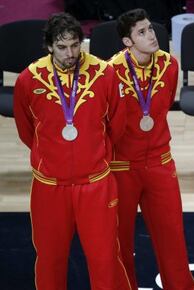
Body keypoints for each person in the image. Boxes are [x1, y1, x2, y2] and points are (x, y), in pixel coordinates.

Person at [13, 12, 131, 290]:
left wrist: (91, 152)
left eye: (76, 45)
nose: (71, 53)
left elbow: (117, 125)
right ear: (49, 46)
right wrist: (54, 156)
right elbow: (26, 131)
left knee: (104, 260)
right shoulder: (28, 80)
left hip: (96, 185)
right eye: (63, 47)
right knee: (50, 260)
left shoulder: (105, 73)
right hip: (49, 187)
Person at [108, 8, 194, 290]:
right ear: (127, 42)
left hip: (159, 161)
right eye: (141, 32)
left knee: (172, 237)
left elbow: (165, 103)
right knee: (120, 240)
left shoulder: (170, 65)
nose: (151, 36)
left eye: (150, 29)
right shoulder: (110, 72)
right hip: (122, 166)